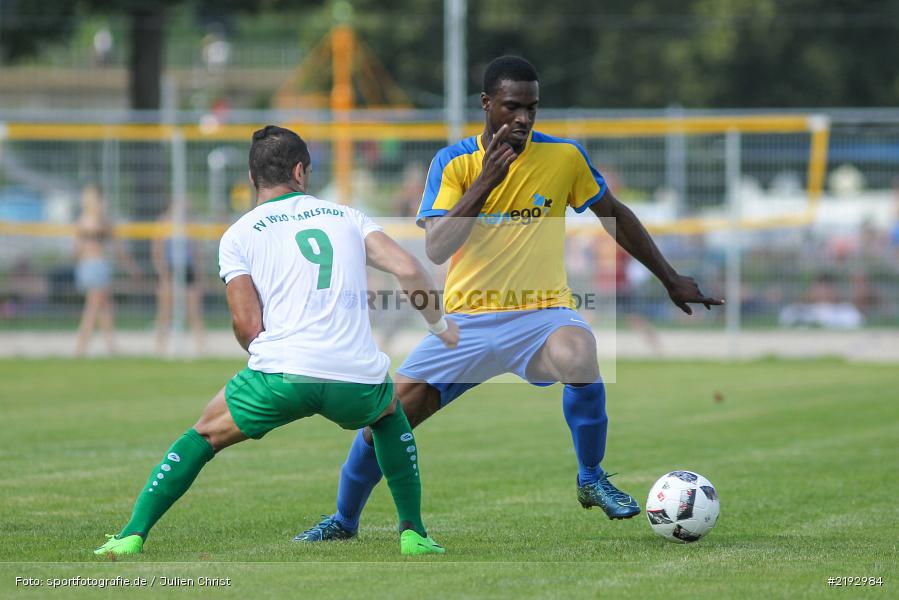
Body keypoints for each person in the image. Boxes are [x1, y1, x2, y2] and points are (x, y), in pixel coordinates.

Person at [297, 56, 723, 543]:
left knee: (579, 353)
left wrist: (669, 277)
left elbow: (615, 215)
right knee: (383, 422)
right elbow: (436, 246)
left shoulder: (564, 157)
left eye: (532, 108)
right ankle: (344, 521)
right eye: (512, 106)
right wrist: (487, 181)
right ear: (486, 105)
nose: (523, 118)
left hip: (541, 317)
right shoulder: (453, 163)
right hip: (464, 326)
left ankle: (591, 477)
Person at [94, 125, 458, 558]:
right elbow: (410, 270)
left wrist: (280, 361)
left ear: (252, 179)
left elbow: (246, 325)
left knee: (203, 435)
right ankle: (413, 533)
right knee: (388, 416)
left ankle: (132, 534)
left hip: (281, 374)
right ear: (301, 171)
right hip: (354, 375)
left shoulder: (239, 234)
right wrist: (439, 327)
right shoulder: (347, 216)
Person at [152, 204, 205, 355]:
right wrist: (163, 273)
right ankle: (160, 346)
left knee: (194, 310)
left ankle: (200, 346)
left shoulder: (190, 223)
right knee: (165, 311)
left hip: (187, 268)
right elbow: (157, 251)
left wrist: (199, 274)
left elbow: (196, 251)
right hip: (170, 268)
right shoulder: (163, 222)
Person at [74, 185, 116, 356]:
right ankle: (81, 346)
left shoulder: (83, 219)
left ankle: (110, 346)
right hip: (95, 265)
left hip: (88, 265)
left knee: (104, 307)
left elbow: (75, 249)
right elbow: (112, 237)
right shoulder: (99, 220)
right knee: (93, 308)